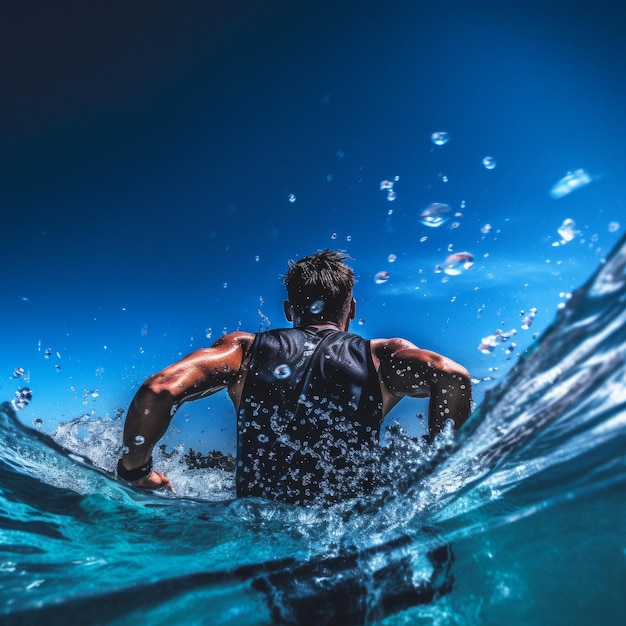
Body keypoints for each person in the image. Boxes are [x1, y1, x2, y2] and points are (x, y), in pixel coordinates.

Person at [117, 250, 472, 505]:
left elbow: (158, 389)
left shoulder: (244, 350)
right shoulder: (380, 357)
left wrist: (136, 472)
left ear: (289, 310)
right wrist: (439, 476)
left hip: (258, 539)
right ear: (351, 308)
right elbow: (452, 377)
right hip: (350, 538)